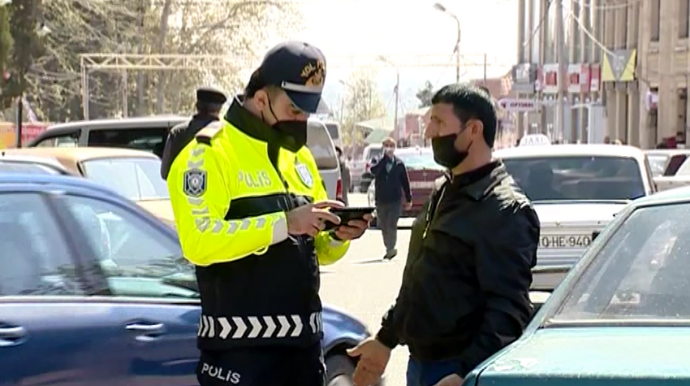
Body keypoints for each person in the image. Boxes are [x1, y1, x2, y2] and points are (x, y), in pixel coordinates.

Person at [167, 41, 371, 386]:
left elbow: (318, 249)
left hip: (304, 357)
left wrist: (337, 235)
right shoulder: (207, 154)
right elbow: (198, 241)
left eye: (307, 112)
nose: (302, 120)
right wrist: (285, 223)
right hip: (240, 360)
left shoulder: (300, 157)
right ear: (261, 99)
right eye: (294, 110)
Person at [348, 84, 540, 386]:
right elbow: (421, 282)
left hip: (460, 371)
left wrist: (465, 373)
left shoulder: (505, 209)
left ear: (473, 129)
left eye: (438, 122)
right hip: (422, 366)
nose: (428, 133)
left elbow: (507, 311)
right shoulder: (443, 191)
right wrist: (385, 339)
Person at [160, 87, 227, 179]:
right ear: (219, 109)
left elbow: (164, 173)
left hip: (181, 192)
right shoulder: (226, 134)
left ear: (197, 106)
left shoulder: (177, 134)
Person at [369, 137, 412, 260]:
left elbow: (405, 182)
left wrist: (409, 198)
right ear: (383, 147)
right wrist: (384, 160)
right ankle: (388, 246)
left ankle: (391, 248)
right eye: (386, 145)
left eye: (391, 145)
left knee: (392, 224)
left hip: (395, 200)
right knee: (383, 225)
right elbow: (373, 171)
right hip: (381, 200)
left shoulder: (399, 164)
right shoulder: (377, 161)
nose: (389, 148)